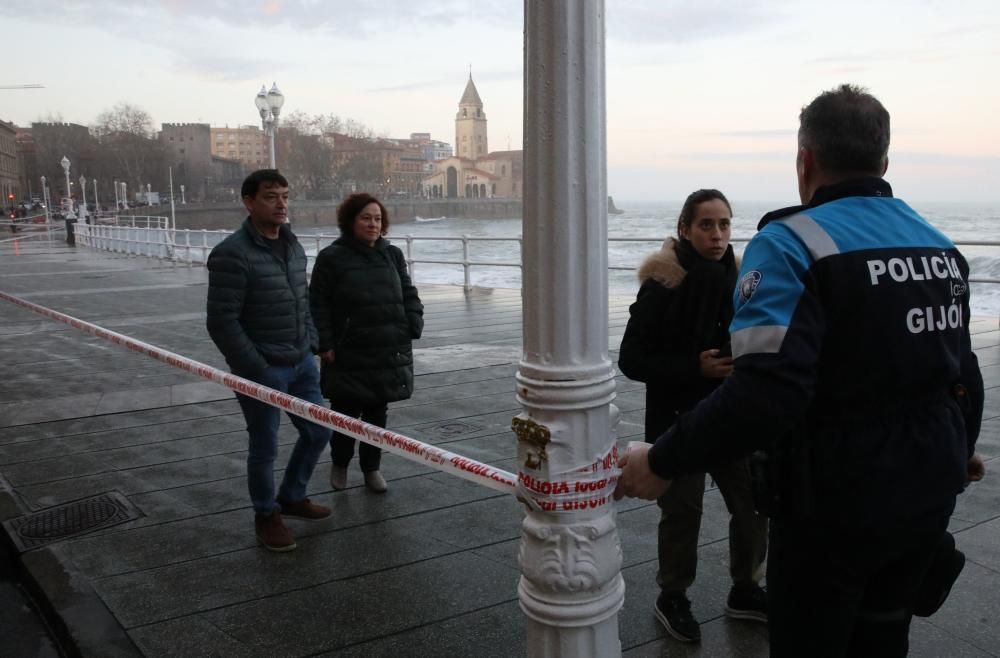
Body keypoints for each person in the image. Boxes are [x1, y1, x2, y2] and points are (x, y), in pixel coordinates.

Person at [614, 84, 985, 657]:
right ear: (884, 161)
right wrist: (958, 449)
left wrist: (661, 459)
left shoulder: (789, 244)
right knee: (884, 638)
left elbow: (766, 392)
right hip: (926, 495)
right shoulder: (938, 246)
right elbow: (964, 376)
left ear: (804, 160)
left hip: (834, 503)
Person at [618, 189, 768, 643]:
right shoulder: (662, 284)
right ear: (684, 228)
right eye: (707, 225)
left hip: (731, 415)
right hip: (677, 418)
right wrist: (693, 366)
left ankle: (746, 588)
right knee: (683, 513)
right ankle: (673, 596)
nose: (718, 234)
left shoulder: (743, 281)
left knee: (753, 504)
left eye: (725, 224)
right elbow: (631, 358)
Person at [206, 169, 332, 553]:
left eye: (285, 196)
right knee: (265, 445)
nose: (281, 204)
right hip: (264, 368)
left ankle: (292, 496)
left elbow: (302, 300)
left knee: (318, 431)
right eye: (271, 197)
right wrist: (255, 367)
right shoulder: (232, 253)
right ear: (249, 202)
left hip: (302, 363)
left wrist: (310, 342)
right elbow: (221, 321)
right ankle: (266, 515)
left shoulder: (293, 247)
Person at [309, 192, 423, 494]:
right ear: (350, 221)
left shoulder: (392, 254)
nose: (373, 224)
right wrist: (325, 343)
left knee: (377, 413)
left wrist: (413, 321)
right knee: (345, 411)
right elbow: (317, 303)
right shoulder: (331, 258)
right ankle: (340, 463)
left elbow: (408, 291)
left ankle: (372, 468)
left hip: (386, 345)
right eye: (366, 218)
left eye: (377, 218)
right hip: (348, 348)